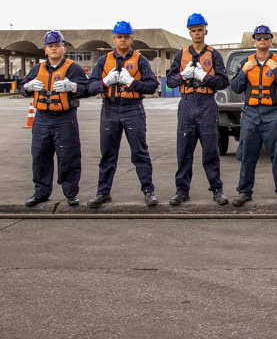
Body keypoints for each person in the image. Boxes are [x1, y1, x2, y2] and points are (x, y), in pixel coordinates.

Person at [86, 21, 160, 208]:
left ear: (131, 38)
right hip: (110, 108)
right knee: (108, 154)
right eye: (120, 37)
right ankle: (103, 192)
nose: (123, 40)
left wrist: (132, 83)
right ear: (114, 39)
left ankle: (148, 191)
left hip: (133, 108)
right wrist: (105, 82)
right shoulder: (103, 61)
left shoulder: (140, 60)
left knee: (140, 152)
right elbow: (90, 87)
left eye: (126, 37)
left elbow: (152, 86)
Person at [166, 13, 231, 206]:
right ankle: (182, 190)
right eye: (193, 31)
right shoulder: (180, 55)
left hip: (206, 103)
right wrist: (183, 76)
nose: (197, 34)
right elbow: (170, 81)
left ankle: (217, 190)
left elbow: (223, 82)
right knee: (184, 151)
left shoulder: (214, 55)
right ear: (189, 33)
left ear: (205, 31)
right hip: (187, 103)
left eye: (200, 30)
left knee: (211, 151)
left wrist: (205, 78)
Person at [19, 30, 89, 207]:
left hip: (65, 118)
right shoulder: (37, 69)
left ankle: (71, 193)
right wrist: (28, 87)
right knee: (40, 156)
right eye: (50, 46)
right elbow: (22, 88)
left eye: (57, 46)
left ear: (63, 48)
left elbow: (88, 88)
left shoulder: (74, 68)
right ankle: (40, 192)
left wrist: (72, 86)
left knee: (68, 156)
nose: (54, 49)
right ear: (45, 50)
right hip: (42, 118)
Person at [229, 25, 277, 206]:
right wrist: (244, 71)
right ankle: (244, 192)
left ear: (271, 40)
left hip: (273, 114)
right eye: (259, 37)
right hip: (250, 114)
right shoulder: (245, 63)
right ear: (254, 41)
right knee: (247, 155)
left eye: (266, 37)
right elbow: (235, 87)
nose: (262, 40)